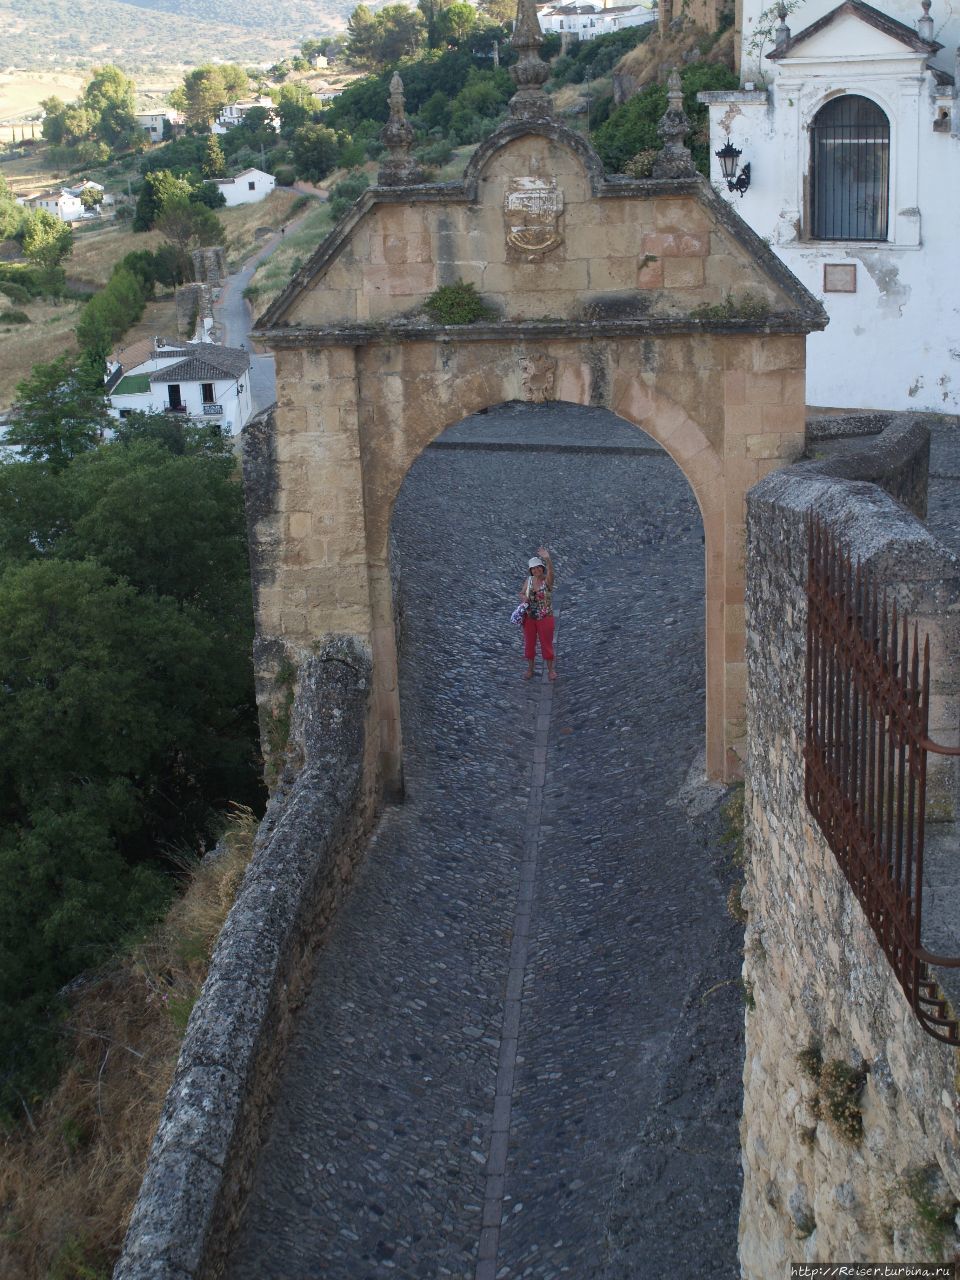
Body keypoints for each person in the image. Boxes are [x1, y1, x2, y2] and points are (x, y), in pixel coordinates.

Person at [519, 547, 556, 681]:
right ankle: (530, 669)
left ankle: (551, 670)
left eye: (538, 567)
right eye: (533, 568)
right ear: (530, 570)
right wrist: (523, 598)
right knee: (529, 644)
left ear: (542, 568)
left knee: (546, 644)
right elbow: (522, 593)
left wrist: (547, 559)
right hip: (529, 618)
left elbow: (552, 572)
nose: (536, 570)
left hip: (545, 617)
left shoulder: (547, 581)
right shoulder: (528, 581)